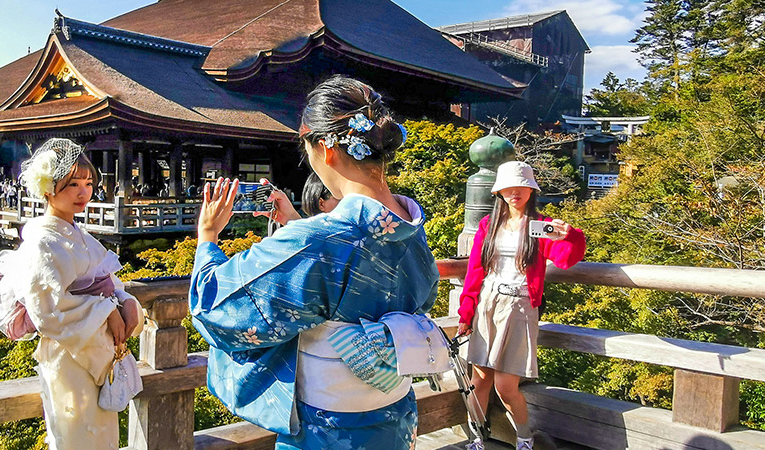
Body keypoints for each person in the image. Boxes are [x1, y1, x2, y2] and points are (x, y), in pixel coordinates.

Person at [190, 76, 439, 450]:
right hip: (395, 414)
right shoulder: (410, 222)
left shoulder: (318, 239)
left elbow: (216, 307)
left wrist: (207, 238)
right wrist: (295, 225)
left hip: (330, 428)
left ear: (324, 147)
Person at [0, 138, 142, 449]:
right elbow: (48, 311)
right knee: (75, 435)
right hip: (68, 354)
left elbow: (110, 281)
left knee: (101, 435)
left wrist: (125, 304)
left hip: (95, 347)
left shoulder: (78, 235)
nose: (84, 192)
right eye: (73, 184)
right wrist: (106, 311)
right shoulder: (41, 242)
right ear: (48, 188)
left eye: (88, 183)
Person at [456, 161, 586, 450]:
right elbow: (476, 270)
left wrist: (570, 235)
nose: (515, 192)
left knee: (505, 386)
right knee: (479, 381)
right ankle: (477, 438)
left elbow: (565, 259)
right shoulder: (488, 225)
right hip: (488, 304)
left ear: (531, 189)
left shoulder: (539, 226)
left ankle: (524, 439)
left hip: (520, 307)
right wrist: (466, 312)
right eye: (508, 187)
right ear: (499, 191)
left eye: (521, 186)